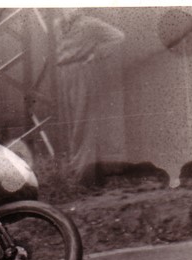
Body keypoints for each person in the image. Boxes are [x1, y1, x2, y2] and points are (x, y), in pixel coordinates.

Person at [55, 9, 125, 186]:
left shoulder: (90, 24)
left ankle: (86, 178)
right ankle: (84, 173)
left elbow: (118, 36)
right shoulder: (58, 25)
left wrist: (97, 54)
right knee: (71, 123)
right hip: (64, 73)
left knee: (83, 122)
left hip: (82, 73)